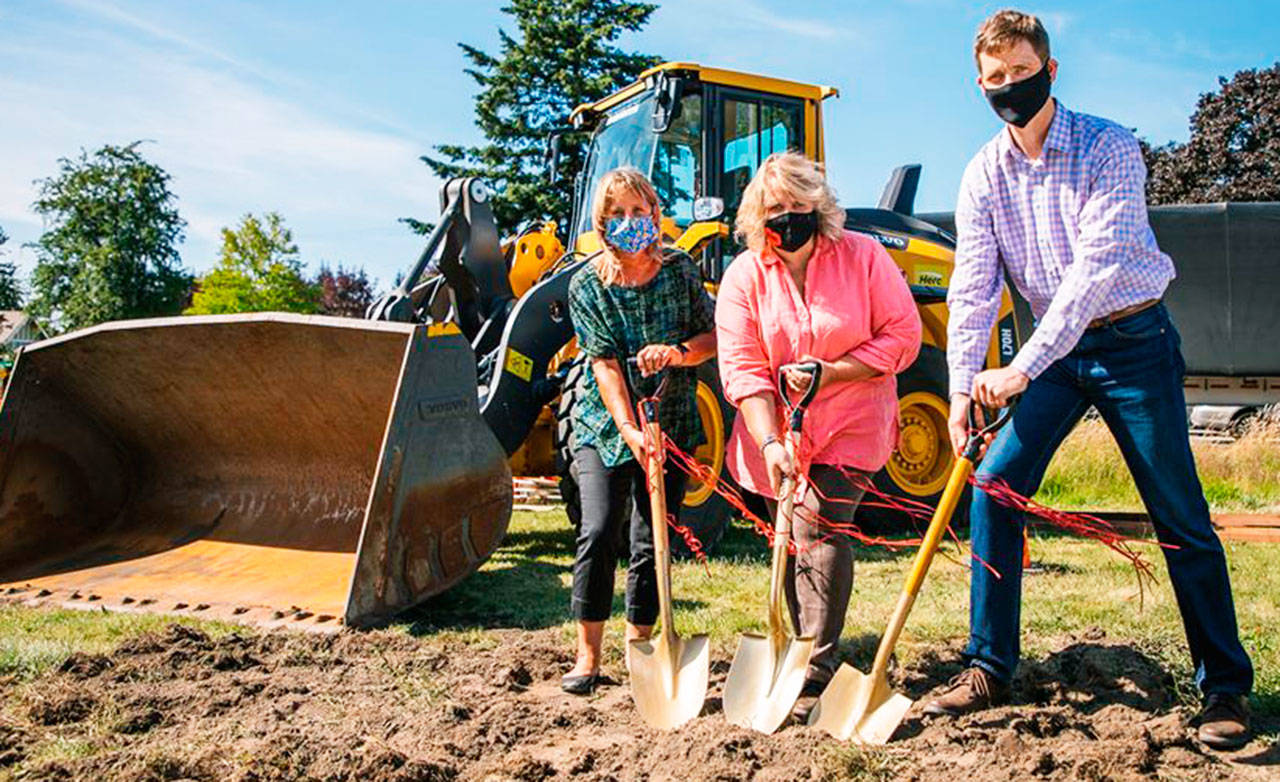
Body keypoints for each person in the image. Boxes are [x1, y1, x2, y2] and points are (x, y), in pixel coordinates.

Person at [923, 10, 1254, 750]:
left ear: (1051, 70)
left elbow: (1092, 273)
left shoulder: (1108, 147)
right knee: (994, 487)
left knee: (1178, 512)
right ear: (980, 85)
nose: (1010, 86)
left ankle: (1225, 686)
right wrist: (959, 391)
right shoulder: (983, 174)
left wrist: (1020, 368)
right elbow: (972, 290)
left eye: (1022, 71)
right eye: (996, 77)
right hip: (1056, 355)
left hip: (1133, 341)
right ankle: (988, 665)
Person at [716, 151, 921, 719]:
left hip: (855, 417)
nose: (787, 217)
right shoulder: (744, 277)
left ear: (818, 206)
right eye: (773, 210)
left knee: (816, 519)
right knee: (788, 533)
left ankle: (818, 665)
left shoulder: (864, 257)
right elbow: (743, 369)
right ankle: (797, 648)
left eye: (797, 205)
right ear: (757, 220)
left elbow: (903, 335)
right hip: (775, 429)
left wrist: (833, 372)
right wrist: (769, 443)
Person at [560, 167, 717, 695]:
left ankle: (640, 650)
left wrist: (676, 353)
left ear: (654, 212)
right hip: (605, 426)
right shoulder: (587, 284)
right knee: (600, 528)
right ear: (603, 223)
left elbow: (711, 337)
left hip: (671, 422)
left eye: (639, 210)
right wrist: (629, 430)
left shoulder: (680, 270)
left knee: (653, 538)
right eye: (618, 214)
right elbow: (604, 365)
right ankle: (587, 655)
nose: (631, 221)